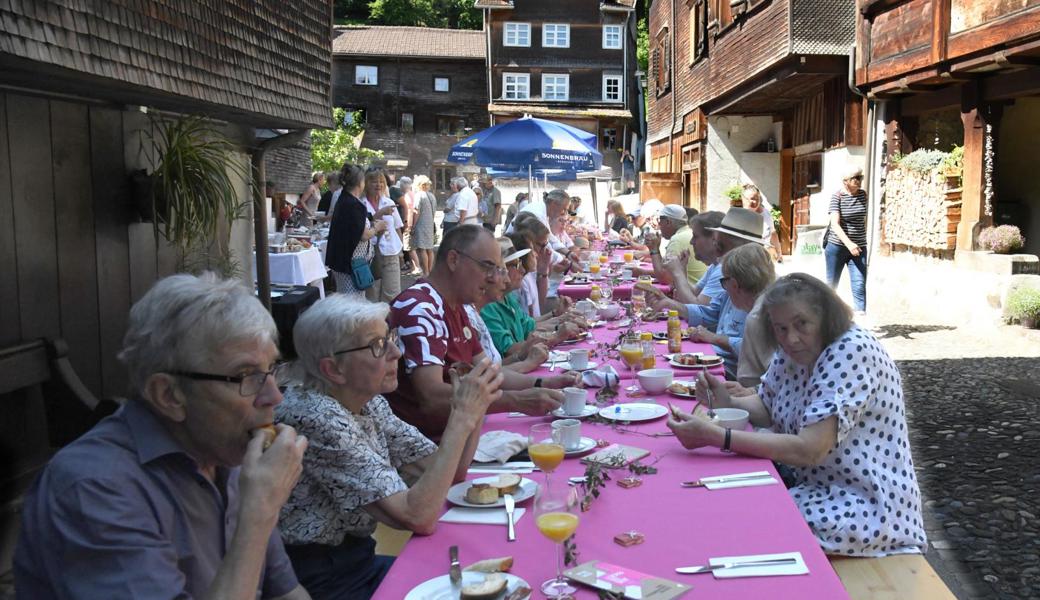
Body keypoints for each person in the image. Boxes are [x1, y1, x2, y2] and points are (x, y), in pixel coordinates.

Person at [15, 274, 310, 599]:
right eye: (245, 376)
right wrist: (259, 513)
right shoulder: (93, 489)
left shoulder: (229, 456)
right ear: (169, 395)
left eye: (272, 369)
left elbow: (286, 591)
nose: (274, 396)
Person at [668, 274, 926, 557]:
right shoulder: (791, 350)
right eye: (780, 328)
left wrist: (721, 437)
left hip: (867, 506)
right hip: (817, 491)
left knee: (743, 528)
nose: (790, 337)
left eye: (801, 324)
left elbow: (810, 450)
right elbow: (766, 410)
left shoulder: (850, 350)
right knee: (728, 509)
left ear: (825, 317)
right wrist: (724, 400)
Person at [275, 295, 502, 599]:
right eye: (378, 345)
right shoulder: (316, 417)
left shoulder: (368, 401)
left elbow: (451, 470)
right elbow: (418, 516)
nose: (396, 352)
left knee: (482, 583)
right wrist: (460, 419)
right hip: (323, 579)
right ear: (333, 369)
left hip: (356, 561)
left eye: (391, 338)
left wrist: (475, 408)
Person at [387, 225, 579, 439]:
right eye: (488, 266)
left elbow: (490, 372)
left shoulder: (455, 305)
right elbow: (431, 397)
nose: (494, 278)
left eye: (498, 269)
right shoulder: (421, 307)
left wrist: (543, 383)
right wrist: (516, 401)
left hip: (460, 434)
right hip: (430, 446)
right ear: (453, 260)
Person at [649, 208, 766, 377]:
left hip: (733, 371)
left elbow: (758, 349)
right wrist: (669, 303)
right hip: (716, 359)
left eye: (722, 243)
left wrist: (714, 338)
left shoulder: (762, 286)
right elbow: (711, 313)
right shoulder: (728, 270)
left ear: (742, 246)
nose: (717, 247)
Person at [481, 238, 585, 358]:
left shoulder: (507, 296)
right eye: (516, 265)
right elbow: (509, 350)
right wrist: (557, 335)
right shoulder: (487, 306)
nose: (523, 269)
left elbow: (529, 325)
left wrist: (559, 318)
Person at [684, 243, 775, 379]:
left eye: (724, 283)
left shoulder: (759, 315)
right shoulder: (765, 301)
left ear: (734, 284)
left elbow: (772, 375)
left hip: (738, 376)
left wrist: (748, 393)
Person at [465, 238, 550, 373]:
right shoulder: (483, 310)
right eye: (503, 271)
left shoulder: (504, 299)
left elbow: (492, 370)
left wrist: (557, 317)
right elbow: (487, 375)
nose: (507, 280)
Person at [326, 164, 387, 298]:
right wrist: (378, 227)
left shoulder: (345, 199)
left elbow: (355, 224)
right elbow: (364, 235)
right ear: (361, 182)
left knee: (349, 301)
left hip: (346, 262)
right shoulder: (353, 204)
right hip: (351, 265)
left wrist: (371, 220)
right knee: (352, 303)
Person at [825, 166, 869, 313]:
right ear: (845, 182)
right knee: (832, 284)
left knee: (859, 284)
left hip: (859, 247)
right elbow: (835, 224)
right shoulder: (837, 197)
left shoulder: (863, 195)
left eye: (860, 177)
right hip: (837, 247)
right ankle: (828, 317)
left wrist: (858, 242)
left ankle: (861, 318)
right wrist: (849, 244)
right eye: (855, 178)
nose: (859, 180)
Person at [662, 210, 724, 306]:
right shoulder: (714, 266)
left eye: (695, 237)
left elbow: (699, 309)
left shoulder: (722, 270)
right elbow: (695, 292)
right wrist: (682, 270)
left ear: (714, 238)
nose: (691, 242)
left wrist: (677, 272)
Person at [362, 167, 405, 304]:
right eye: (374, 181)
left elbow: (397, 227)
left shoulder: (389, 202)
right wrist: (380, 213)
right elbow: (361, 228)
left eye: (381, 181)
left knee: (393, 294)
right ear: (366, 183)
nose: (378, 185)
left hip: (391, 252)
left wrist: (401, 252)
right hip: (370, 255)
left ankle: (390, 324)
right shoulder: (360, 204)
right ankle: (374, 323)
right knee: (372, 295)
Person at [640, 204, 707, 288]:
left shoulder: (677, 239)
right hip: (696, 291)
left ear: (668, 222)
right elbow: (667, 267)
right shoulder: (687, 232)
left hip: (691, 295)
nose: (659, 224)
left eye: (659, 220)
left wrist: (654, 249)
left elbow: (665, 277)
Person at [742, 184, 784, 263]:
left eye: (757, 198)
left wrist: (779, 253)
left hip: (764, 256)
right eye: (752, 199)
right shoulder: (739, 216)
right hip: (746, 257)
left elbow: (773, 233)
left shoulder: (766, 214)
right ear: (744, 200)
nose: (755, 202)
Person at [411, 175, 436, 276]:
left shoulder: (419, 195)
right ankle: (430, 270)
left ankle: (426, 271)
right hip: (430, 223)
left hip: (421, 224)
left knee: (422, 249)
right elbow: (434, 211)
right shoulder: (432, 196)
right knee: (430, 249)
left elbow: (416, 212)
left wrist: (413, 225)